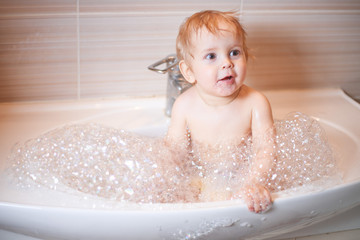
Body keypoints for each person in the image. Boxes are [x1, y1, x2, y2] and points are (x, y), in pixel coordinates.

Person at [166, 10, 275, 213]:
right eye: (211, 56)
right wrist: (170, 182)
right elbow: (175, 152)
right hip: (199, 181)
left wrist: (254, 183)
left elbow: (265, 150)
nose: (227, 62)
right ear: (189, 71)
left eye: (234, 52)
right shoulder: (184, 106)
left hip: (243, 181)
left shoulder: (255, 103)